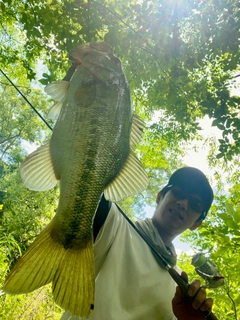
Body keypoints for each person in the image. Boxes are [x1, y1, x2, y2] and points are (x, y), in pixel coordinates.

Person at [61, 166, 214, 320]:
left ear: (196, 224)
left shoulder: (180, 290)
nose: (183, 203)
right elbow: (86, 184)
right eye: (179, 190)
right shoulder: (115, 224)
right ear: (160, 197)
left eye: (196, 204)